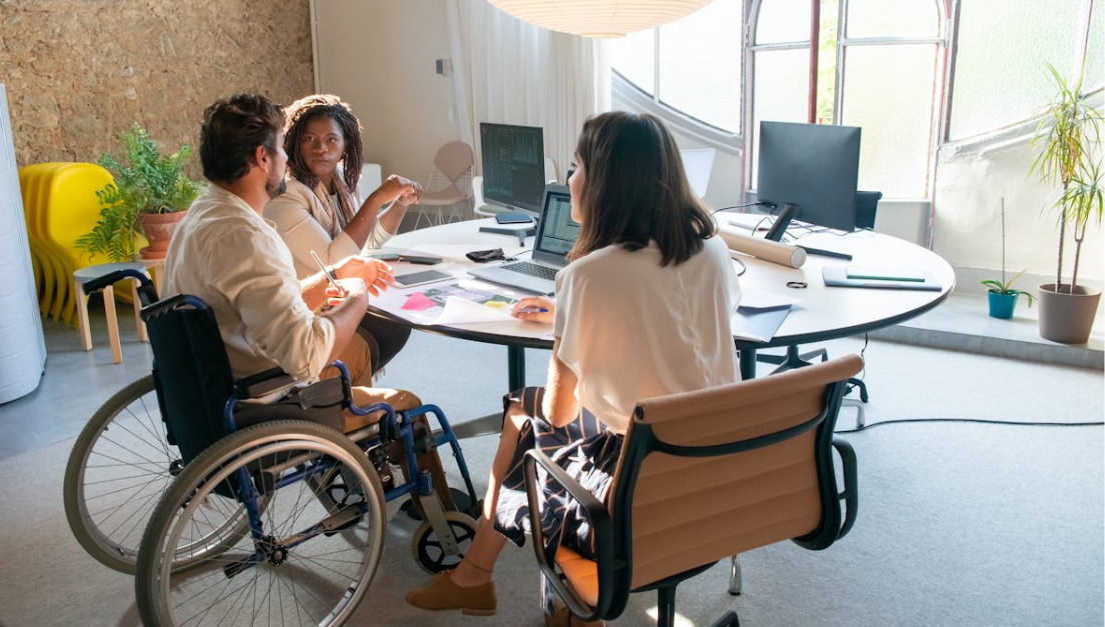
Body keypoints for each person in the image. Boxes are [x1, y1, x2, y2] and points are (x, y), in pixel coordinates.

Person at [405, 112, 741, 627]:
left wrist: (571, 317)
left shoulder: (585, 275)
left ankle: (490, 581)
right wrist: (575, 314)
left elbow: (562, 411)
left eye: (576, 167)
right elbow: (679, 328)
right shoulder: (712, 249)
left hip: (638, 477)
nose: (568, 181)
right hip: (716, 461)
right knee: (525, 412)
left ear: (605, 182)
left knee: (527, 417)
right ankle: (485, 579)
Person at [162, 93, 453, 505]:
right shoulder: (249, 236)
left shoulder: (203, 214)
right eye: (284, 147)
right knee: (411, 406)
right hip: (268, 399)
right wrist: (355, 294)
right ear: (264, 157)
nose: (287, 159)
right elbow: (305, 355)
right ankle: (440, 518)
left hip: (212, 384)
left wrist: (333, 276)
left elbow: (258, 301)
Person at [265, 93, 420, 374]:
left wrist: (399, 204)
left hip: (335, 298)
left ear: (346, 145)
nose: (320, 148)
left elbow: (366, 241)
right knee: (387, 321)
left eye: (331, 140)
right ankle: (336, 385)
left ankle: (346, 387)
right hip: (307, 311)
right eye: (309, 139)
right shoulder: (286, 196)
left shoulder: (342, 183)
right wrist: (376, 200)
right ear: (295, 142)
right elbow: (334, 260)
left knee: (397, 315)